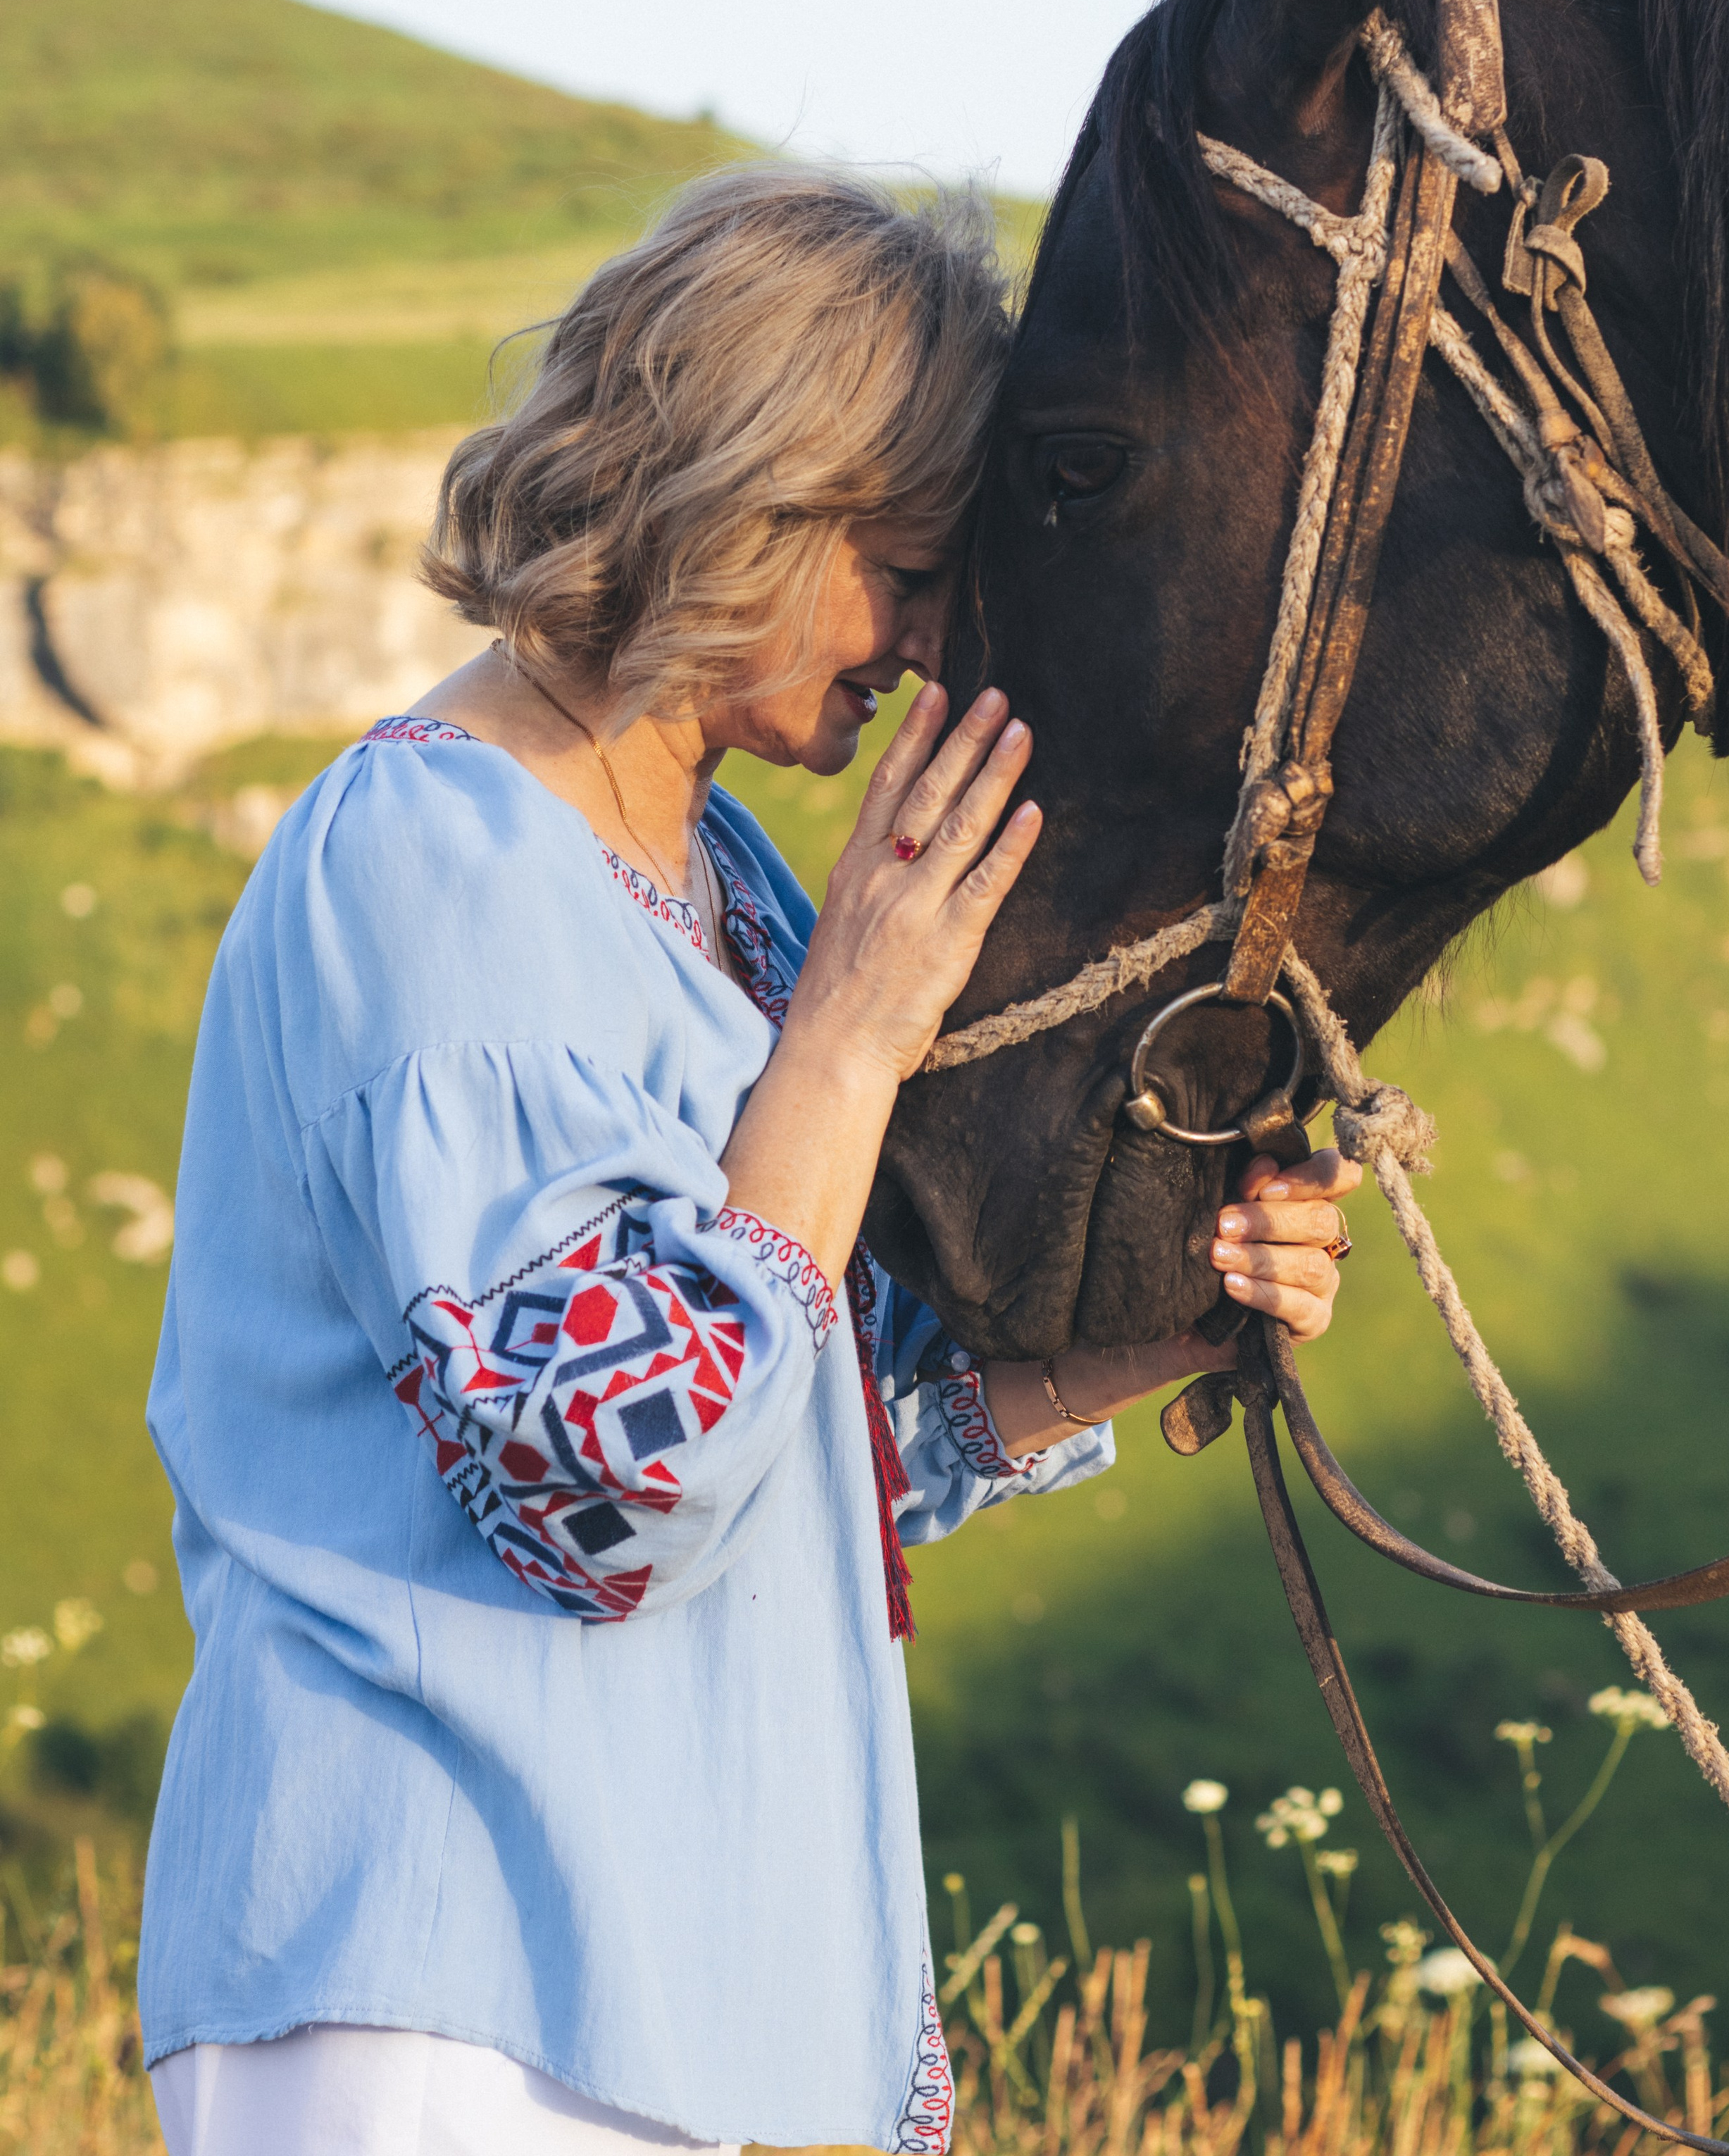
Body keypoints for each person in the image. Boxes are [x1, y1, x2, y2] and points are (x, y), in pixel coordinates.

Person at [139, 168, 1354, 2156]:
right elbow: (618, 1484)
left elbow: (808, 1435)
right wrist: (856, 1034)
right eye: (908, 565)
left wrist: (1169, 1328)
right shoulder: (434, 861)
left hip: (645, 1992)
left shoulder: (732, 885)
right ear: (750, 500)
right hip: (442, 1975)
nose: (933, 642)